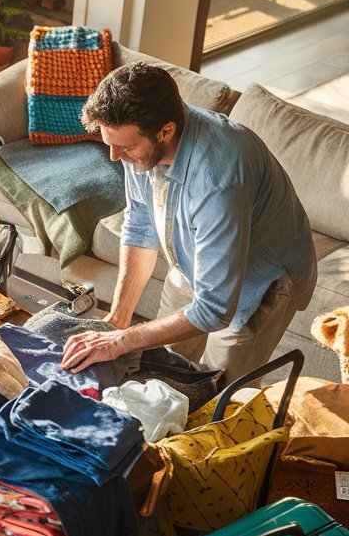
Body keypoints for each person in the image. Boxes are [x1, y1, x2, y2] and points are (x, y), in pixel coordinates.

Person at [61, 61, 316, 383]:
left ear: (165, 131)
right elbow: (140, 224)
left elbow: (214, 309)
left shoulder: (218, 177)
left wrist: (120, 342)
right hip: (191, 262)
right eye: (108, 143)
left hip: (261, 280)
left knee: (217, 389)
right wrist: (119, 318)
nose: (114, 157)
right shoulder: (137, 139)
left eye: (124, 147)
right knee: (163, 366)